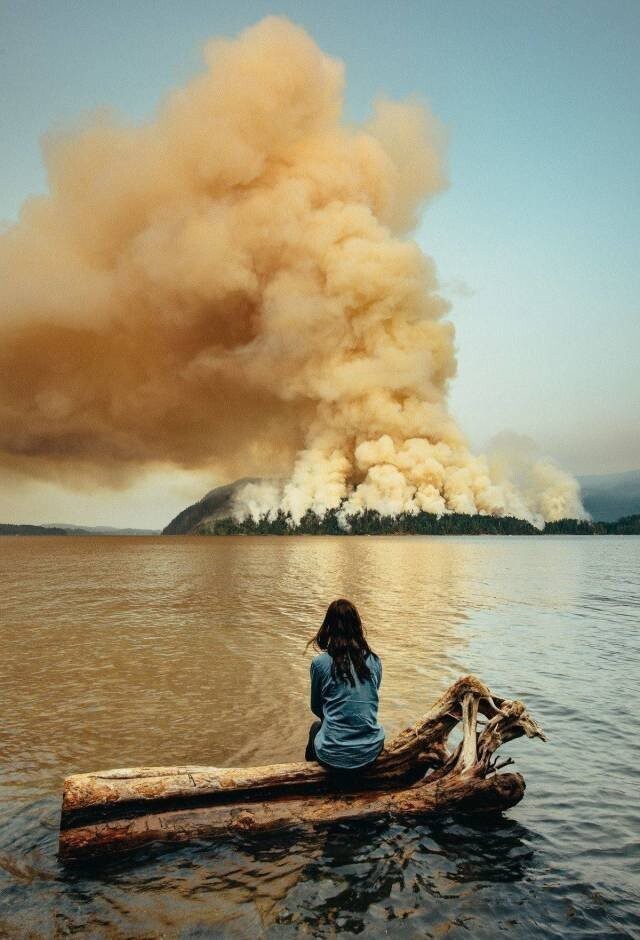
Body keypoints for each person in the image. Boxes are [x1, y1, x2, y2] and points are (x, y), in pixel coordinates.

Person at [305, 598, 384, 774]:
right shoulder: (375, 661)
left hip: (332, 755)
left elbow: (316, 707)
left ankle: (309, 779)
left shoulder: (320, 663)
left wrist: (336, 725)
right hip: (370, 751)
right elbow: (370, 700)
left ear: (328, 626)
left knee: (315, 728)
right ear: (357, 626)